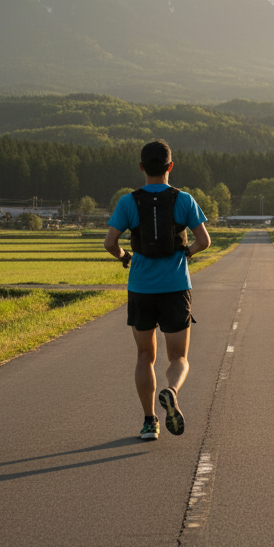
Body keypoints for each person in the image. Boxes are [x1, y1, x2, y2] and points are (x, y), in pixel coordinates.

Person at [104, 140, 211, 440]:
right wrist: (186, 252)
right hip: (176, 288)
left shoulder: (128, 202)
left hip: (141, 289)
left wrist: (126, 257)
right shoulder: (184, 199)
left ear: (141, 167)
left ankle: (150, 422)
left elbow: (110, 243)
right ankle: (171, 390)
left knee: (144, 356)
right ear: (170, 166)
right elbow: (205, 241)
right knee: (178, 358)